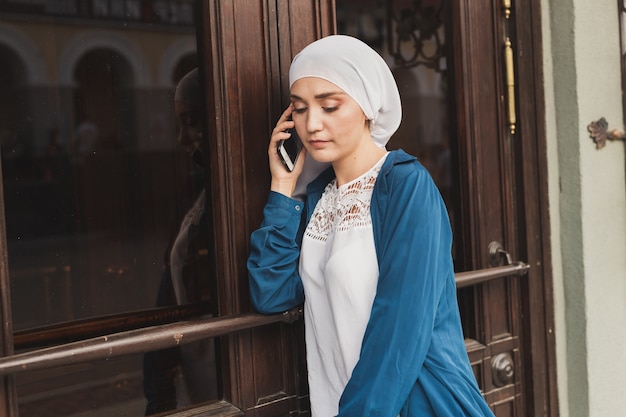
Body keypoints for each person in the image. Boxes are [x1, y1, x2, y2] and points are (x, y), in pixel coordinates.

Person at [247, 35, 495, 417]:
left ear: (367, 108)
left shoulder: (405, 186)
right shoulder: (318, 197)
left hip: (416, 404)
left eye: (330, 106)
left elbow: (401, 330)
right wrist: (282, 191)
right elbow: (272, 293)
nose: (312, 123)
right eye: (299, 109)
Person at [143, 68, 217, 415]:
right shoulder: (196, 191)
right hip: (191, 371)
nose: (181, 139)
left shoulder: (233, 200)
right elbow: (167, 291)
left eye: (191, 121)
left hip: (222, 370)